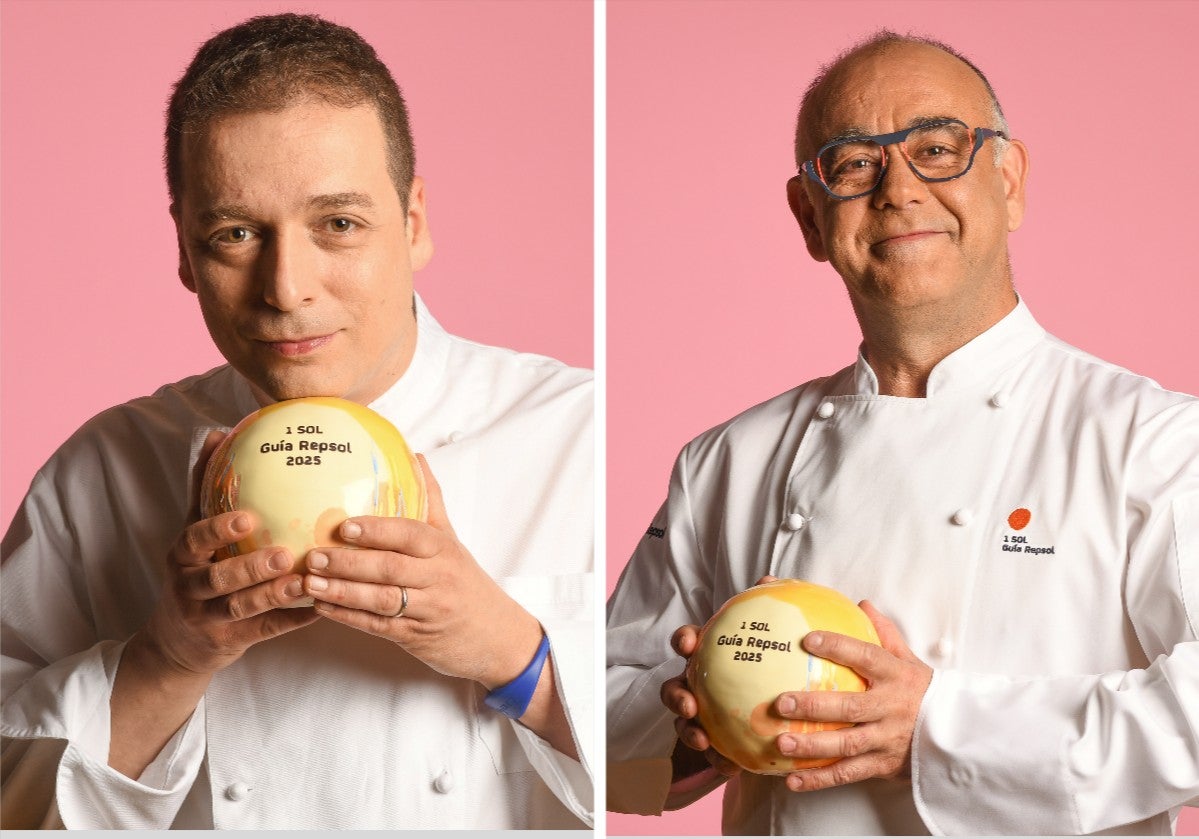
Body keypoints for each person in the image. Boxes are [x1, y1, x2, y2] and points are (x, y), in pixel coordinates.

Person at [1, 13, 592, 830]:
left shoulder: (579, 435)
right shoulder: (102, 468)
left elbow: (654, 768)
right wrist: (168, 658)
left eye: (338, 224)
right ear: (182, 248)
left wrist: (507, 649)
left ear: (412, 222)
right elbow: (9, 799)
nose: (285, 287)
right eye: (235, 234)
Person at [606, 30, 1198, 835]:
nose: (899, 189)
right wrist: (692, 715)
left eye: (936, 147)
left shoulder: (1154, 441)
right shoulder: (726, 460)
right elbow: (598, 712)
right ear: (809, 217)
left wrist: (939, 724)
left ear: (1009, 181)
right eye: (853, 163)